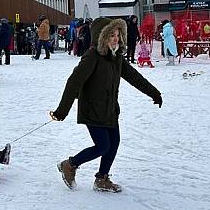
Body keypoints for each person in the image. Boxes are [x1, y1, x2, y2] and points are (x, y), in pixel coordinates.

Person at [50, 18, 162, 193]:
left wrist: (154, 92)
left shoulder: (116, 56)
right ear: (101, 36)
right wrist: (62, 111)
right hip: (93, 109)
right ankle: (69, 164)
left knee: (114, 143)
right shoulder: (92, 56)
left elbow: (134, 77)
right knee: (103, 146)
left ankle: (102, 179)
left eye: (118, 34)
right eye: (111, 35)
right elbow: (74, 82)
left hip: (109, 109)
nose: (116, 38)